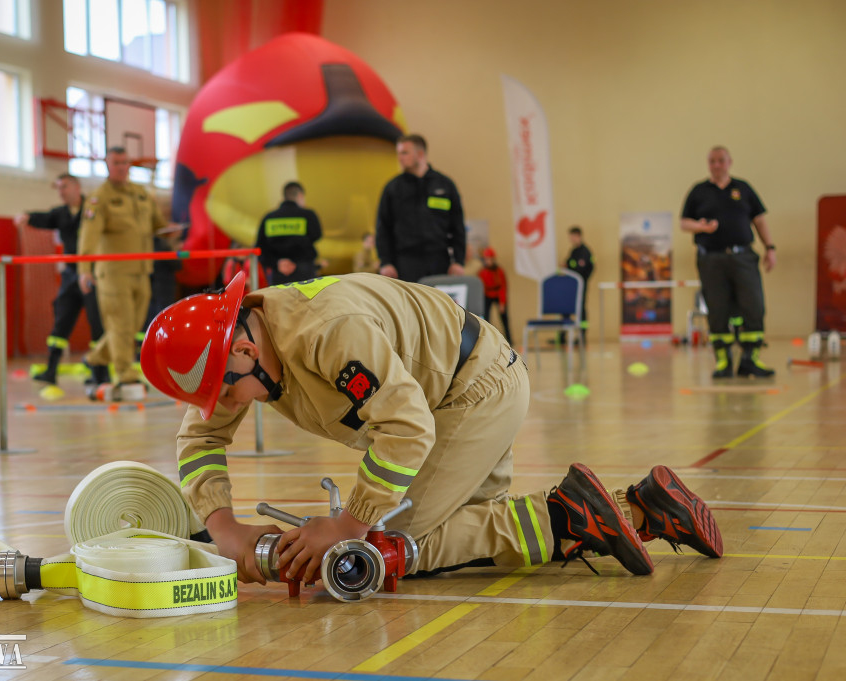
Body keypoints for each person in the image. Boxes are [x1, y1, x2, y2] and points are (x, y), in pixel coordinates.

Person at [140, 271, 723, 586]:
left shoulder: (323, 332)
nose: (219, 405)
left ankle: (568, 512)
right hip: (455, 390)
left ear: (243, 346)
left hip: (472, 392)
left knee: (381, 548)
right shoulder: (238, 345)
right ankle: (643, 509)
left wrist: (346, 524)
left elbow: (407, 427)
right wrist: (225, 530)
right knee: (469, 541)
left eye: (223, 390)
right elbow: (200, 438)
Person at [78, 147, 167, 398]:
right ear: (108, 164)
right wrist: (84, 269)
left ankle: (95, 358)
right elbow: (88, 236)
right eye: (116, 162)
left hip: (142, 269)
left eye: (125, 162)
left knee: (132, 325)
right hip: (114, 273)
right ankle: (125, 375)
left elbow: (158, 224)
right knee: (120, 323)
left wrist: (173, 231)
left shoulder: (141, 194)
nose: (121, 167)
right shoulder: (99, 198)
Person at [681, 146, 776, 379]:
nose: (716, 165)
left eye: (721, 161)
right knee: (717, 309)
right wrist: (701, 227)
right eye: (712, 161)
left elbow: (759, 220)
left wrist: (770, 248)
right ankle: (723, 361)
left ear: (729, 162)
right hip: (711, 259)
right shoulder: (699, 191)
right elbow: (684, 223)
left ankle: (750, 360)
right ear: (708, 164)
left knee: (753, 305)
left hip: (743, 257)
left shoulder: (743, 188)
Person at [15, 174, 103, 385]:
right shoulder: (60, 213)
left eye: (64, 187)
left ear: (76, 187)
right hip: (70, 276)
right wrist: (27, 216)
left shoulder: (93, 210)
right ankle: (51, 369)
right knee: (61, 321)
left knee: (97, 323)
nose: (61, 192)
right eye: (58, 188)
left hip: (91, 274)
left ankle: (100, 373)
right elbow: (44, 218)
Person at [375, 134, 466, 283]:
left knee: (438, 305)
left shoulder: (445, 185)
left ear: (420, 154)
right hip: (405, 262)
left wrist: (458, 261)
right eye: (398, 153)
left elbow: (458, 226)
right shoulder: (393, 188)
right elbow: (383, 227)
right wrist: (385, 262)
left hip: (439, 260)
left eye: (404, 153)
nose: (400, 158)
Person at [255, 181, 323, 286]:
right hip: (305, 273)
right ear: (300, 195)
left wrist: (277, 263)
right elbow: (317, 235)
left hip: (279, 274)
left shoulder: (269, 218)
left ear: (285, 196)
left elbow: (260, 247)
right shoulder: (308, 215)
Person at [563, 226, 594, 343]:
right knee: (566, 308)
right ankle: (563, 335)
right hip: (571, 286)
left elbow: (584, 269)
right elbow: (569, 263)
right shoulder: (574, 251)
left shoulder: (584, 252)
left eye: (572, 236)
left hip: (580, 285)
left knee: (581, 309)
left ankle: (582, 336)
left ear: (578, 236)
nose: (570, 239)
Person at [477, 247, 512, 343]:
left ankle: (509, 339)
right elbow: (480, 287)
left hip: (497, 294)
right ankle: (487, 339)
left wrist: (502, 302)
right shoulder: (482, 272)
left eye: (489, 259)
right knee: (485, 318)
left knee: (504, 317)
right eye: (486, 259)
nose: (488, 261)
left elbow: (503, 287)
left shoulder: (499, 271)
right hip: (487, 295)